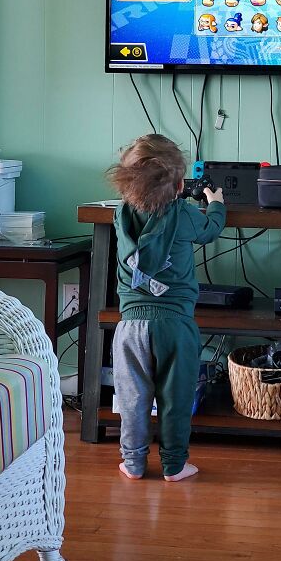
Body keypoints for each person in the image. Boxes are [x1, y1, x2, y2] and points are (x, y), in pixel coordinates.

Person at [107, 134, 225, 482]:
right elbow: (211, 229)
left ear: (127, 186)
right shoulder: (185, 214)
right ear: (180, 186)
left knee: (132, 399)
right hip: (175, 325)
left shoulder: (120, 215)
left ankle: (133, 463)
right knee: (176, 398)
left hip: (129, 327)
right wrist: (216, 203)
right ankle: (174, 465)